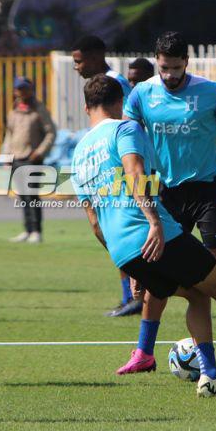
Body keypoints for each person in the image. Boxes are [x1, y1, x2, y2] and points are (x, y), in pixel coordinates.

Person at [72, 74, 216, 397]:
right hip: (154, 234)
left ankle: (210, 376)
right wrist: (154, 222)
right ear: (120, 102)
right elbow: (135, 173)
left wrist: (129, 265)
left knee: (197, 294)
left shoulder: (79, 153)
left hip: (122, 250)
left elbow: (94, 221)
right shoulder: (124, 129)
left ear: (86, 108)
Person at [120, 31, 216, 377]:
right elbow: (130, 150)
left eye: (176, 68)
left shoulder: (212, 92)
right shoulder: (141, 95)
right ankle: (144, 353)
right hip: (165, 192)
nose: (169, 75)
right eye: (164, 68)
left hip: (208, 190)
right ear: (156, 62)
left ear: (187, 63)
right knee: (157, 271)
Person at [69, 35, 141, 317]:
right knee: (109, 227)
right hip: (108, 165)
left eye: (79, 61)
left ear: (95, 56)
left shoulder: (115, 83)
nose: (76, 66)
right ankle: (130, 296)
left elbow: (131, 121)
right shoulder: (100, 83)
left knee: (119, 228)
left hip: (120, 165)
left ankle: (136, 295)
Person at [0, 77, 55, 243]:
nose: (22, 92)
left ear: (31, 90)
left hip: (32, 159)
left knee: (32, 196)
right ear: (15, 91)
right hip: (16, 157)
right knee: (23, 196)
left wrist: (40, 152)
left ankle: (36, 231)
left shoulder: (39, 109)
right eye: (19, 89)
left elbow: (51, 132)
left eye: (25, 88)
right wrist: (6, 155)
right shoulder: (14, 109)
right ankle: (27, 229)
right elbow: (9, 134)